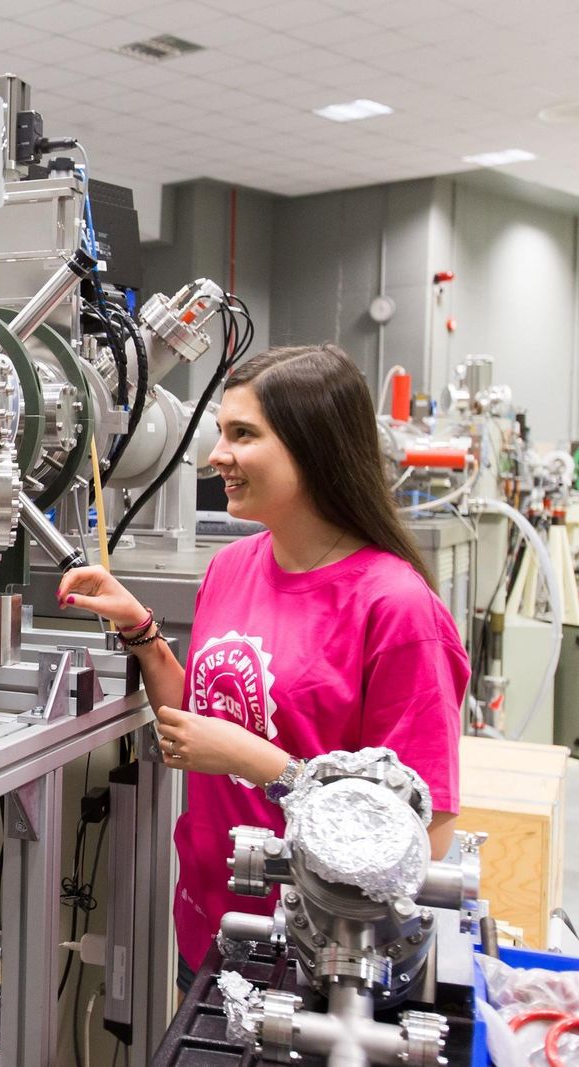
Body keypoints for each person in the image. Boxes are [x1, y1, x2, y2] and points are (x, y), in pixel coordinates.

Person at [56, 344, 468, 991]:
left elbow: (426, 840)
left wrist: (261, 764)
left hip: (322, 958)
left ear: (314, 448)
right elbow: (198, 726)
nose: (217, 454)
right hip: (212, 929)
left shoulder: (395, 606)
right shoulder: (233, 567)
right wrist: (142, 633)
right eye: (221, 432)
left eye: (243, 434)